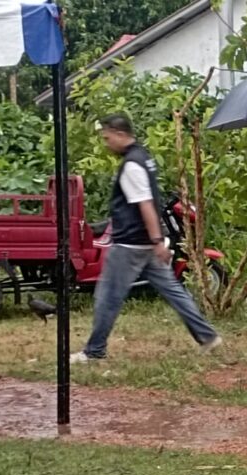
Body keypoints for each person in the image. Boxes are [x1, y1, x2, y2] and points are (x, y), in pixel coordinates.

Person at [71, 114, 221, 363]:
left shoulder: (131, 164)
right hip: (145, 244)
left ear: (120, 134)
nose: (107, 144)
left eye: (108, 138)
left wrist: (156, 239)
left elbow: (145, 205)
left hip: (131, 243)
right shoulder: (144, 157)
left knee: (107, 296)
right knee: (173, 291)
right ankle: (207, 336)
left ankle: (94, 351)